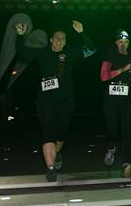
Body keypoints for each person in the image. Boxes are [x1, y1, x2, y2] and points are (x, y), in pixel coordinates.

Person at [14, 20, 95, 182]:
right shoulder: (42, 53)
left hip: (66, 101)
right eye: (57, 38)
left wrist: (82, 33)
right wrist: (20, 35)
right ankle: (50, 169)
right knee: (48, 134)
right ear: (51, 40)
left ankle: (57, 153)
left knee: (61, 133)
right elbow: (22, 50)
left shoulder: (70, 52)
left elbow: (92, 49)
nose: (59, 41)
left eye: (62, 39)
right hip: (45, 101)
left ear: (65, 43)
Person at [100, 29, 131, 178]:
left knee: (127, 131)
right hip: (111, 99)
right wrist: (123, 69)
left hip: (127, 98)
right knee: (113, 129)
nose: (123, 45)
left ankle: (126, 163)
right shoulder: (110, 55)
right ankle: (111, 148)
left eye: (126, 42)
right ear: (116, 43)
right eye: (120, 42)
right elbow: (104, 76)